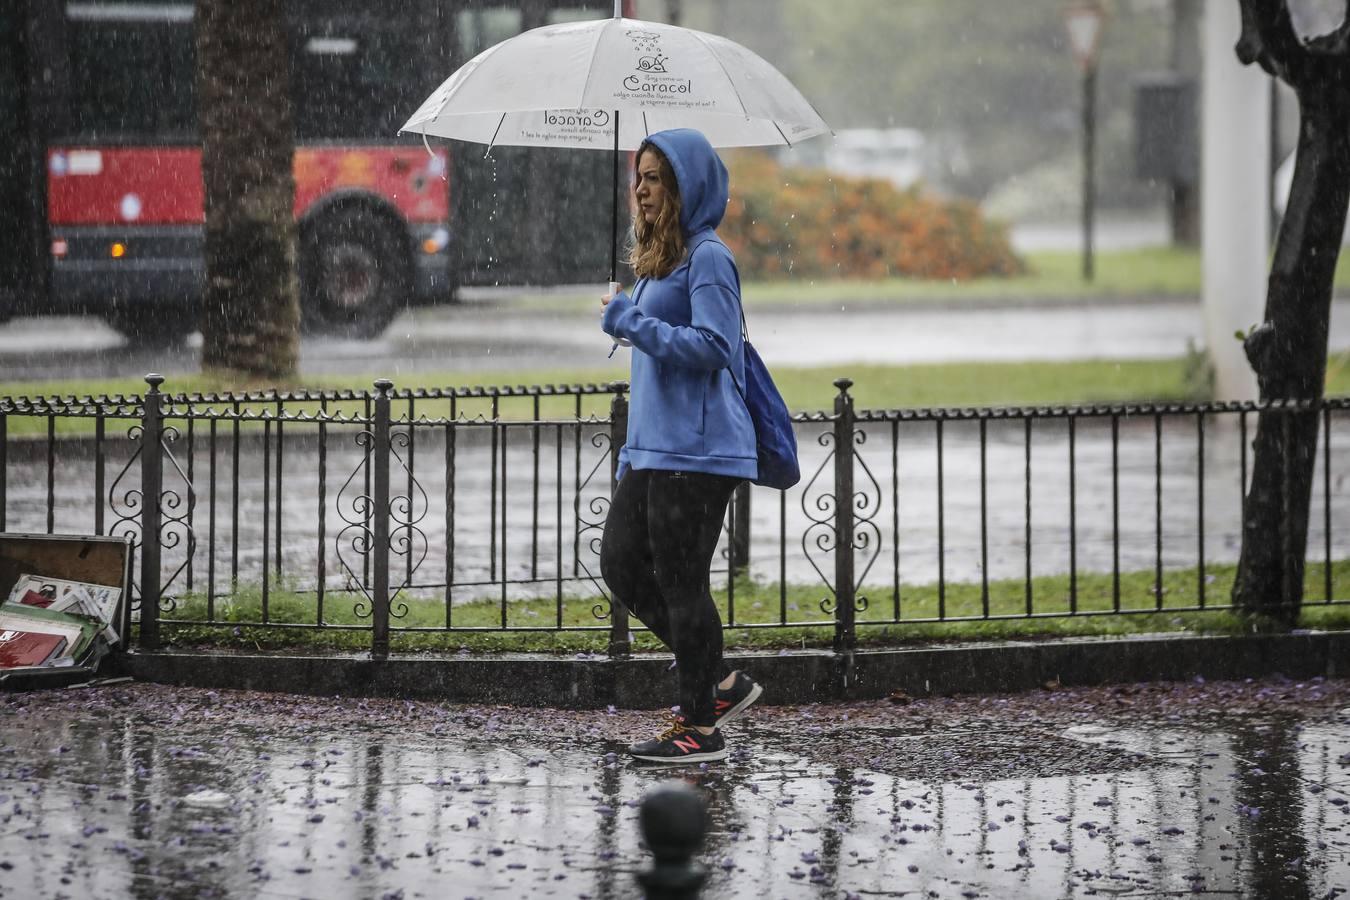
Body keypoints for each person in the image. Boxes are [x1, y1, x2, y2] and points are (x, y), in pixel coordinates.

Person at [599, 128, 764, 765]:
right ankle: (718, 681)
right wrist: (632, 450)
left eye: (655, 178)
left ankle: (699, 727)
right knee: (621, 564)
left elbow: (715, 347)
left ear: (685, 186)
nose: (640, 189)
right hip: (655, 451)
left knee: (681, 585)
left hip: (698, 454)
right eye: (638, 177)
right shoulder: (659, 261)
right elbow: (654, 371)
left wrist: (630, 321)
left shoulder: (708, 258)